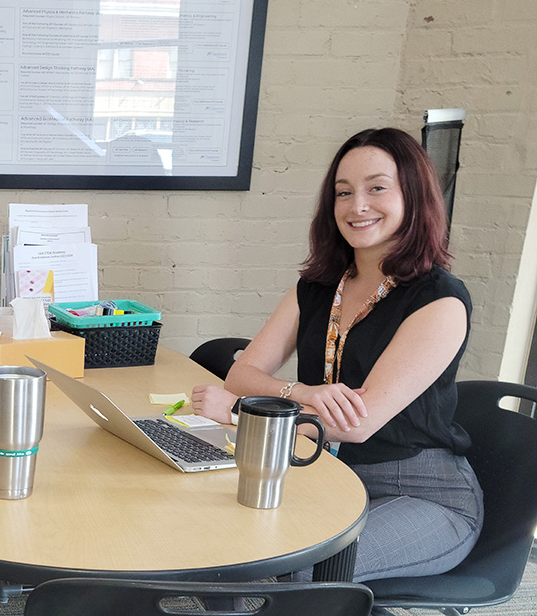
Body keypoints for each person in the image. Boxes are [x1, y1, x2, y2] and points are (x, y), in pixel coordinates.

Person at [190, 127, 483, 582]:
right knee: (222, 545)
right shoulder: (317, 288)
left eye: (377, 188)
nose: (357, 206)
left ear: (415, 196)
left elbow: (358, 424)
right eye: (343, 193)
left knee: (292, 573)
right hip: (325, 475)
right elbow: (241, 374)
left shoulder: (439, 301)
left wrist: (240, 414)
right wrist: (303, 390)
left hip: (422, 493)